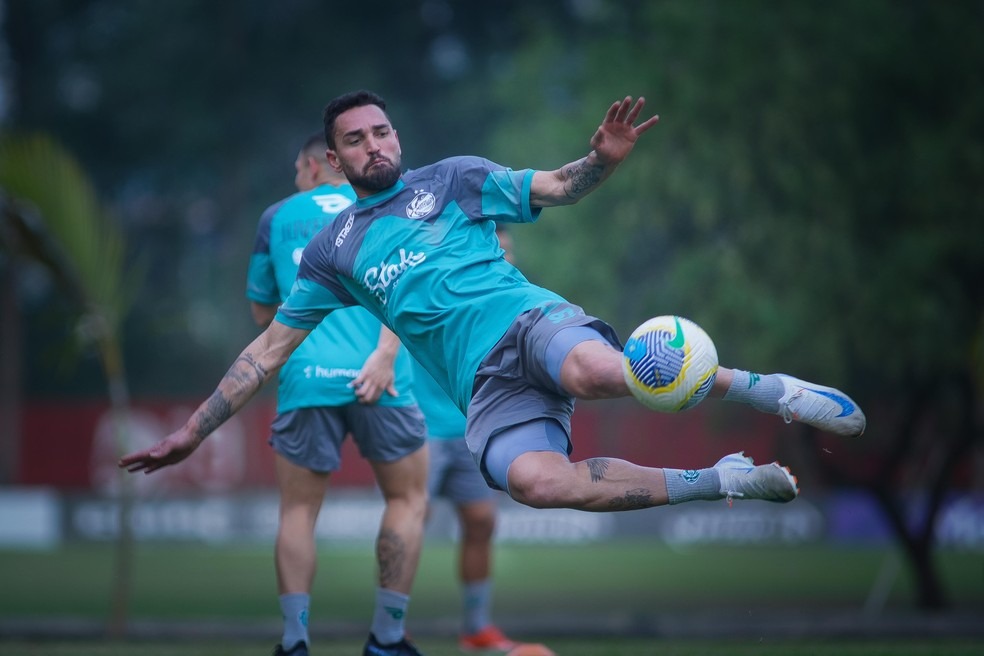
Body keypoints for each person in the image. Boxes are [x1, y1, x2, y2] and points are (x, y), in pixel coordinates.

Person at [121, 90, 865, 631]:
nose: (375, 144)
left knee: (598, 372)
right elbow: (266, 349)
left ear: (396, 138)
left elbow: (556, 187)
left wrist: (599, 162)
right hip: (483, 388)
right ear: (335, 157)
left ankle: (768, 390)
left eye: (383, 131)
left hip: (530, 322)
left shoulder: (453, 179)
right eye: (357, 139)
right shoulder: (332, 251)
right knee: (536, 484)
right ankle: (725, 479)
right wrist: (194, 430)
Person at [246, 133, 428, 656]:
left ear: (309, 166)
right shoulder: (388, 205)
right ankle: (388, 638)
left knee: (298, 513)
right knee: (407, 499)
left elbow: (264, 313)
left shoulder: (276, 218)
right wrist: (385, 353)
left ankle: (295, 640)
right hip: (383, 373)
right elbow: (409, 285)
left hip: (305, 376)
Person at [411, 225, 533, 653]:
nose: (510, 256)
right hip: (420, 424)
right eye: (502, 249)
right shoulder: (438, 288)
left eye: (511, 249)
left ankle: (477, 628)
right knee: (408, 523)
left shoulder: (511, 301)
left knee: (482, 522)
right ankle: (391, 632)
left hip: (472, 430)